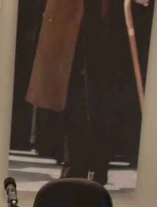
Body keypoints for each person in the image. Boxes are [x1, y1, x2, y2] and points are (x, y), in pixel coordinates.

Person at [25, 0, 152, 185]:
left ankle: (98, 162)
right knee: (73, 83)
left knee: (104, 82)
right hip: (72, 10)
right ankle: (75, 163)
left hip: (108, 13)